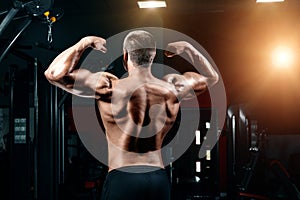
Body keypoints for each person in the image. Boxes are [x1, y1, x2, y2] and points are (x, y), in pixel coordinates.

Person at [44, 30, 219, 200]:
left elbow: (53, 74)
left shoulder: (108, 86)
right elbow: (212, 77)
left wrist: (83, 43)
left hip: (123, 177)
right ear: (152, 57)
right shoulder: (172, 87)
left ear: (126, 55)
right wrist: (189, 49)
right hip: (157, 179)